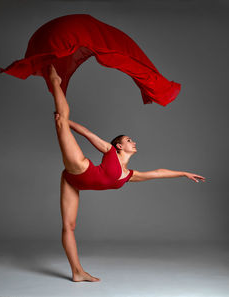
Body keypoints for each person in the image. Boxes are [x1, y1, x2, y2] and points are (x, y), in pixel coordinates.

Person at [43, 65, 205, 282]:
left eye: (131, 140)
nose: (133, 142)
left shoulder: (129, 175)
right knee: (62, 120)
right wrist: (66, 124)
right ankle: (55, 79)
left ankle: (77, 272)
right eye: (128, 140)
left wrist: (183, 173)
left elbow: (157, 173)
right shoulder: (110, 151)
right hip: (79, 168)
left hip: (73, 182)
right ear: (118, 146)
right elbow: (89, 134)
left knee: (69, 226)